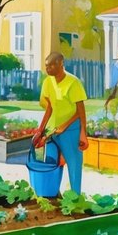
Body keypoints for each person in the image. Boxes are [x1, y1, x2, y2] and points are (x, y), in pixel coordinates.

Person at [35, 52, 89, 195]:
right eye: (46, 66)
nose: (48, 69)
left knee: (74, 164)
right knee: (52, 164)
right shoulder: (47, 82)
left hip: (70, 130)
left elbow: (80, 111)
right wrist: (41, 130)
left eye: (52, 65)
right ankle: (51, 194)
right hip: (52, 131)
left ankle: (75, 198)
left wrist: (82, 134)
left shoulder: (73, 82)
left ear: (61, 64)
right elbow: (49, 108)